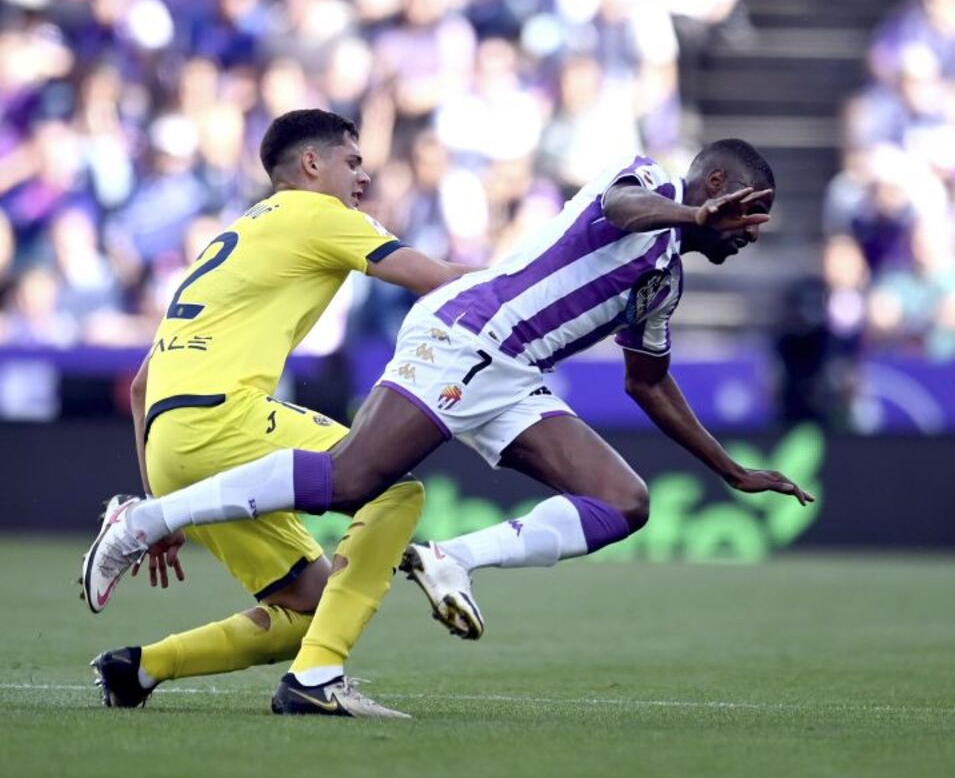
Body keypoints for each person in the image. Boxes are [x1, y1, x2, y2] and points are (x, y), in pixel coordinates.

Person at [83, 138, 815, 662]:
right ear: (715, 182)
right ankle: (150, 517)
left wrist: (732, 470)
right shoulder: (647, 179)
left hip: (511, 372)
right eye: (753, 211)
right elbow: (622, 208)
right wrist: (692, 218)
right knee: (351, 481)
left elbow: (647, 381)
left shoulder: (664, 283)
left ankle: (451, 559)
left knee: (624, 500)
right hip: (465, 331)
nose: (753, 231)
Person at [81, 109, 470, 719]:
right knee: (392, 487)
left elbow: (139, 388)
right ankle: (319, 682)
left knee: (312, 606)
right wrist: (559, 276)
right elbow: (442, 282)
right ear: (312, 164)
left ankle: (140, 668)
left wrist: (164, 502)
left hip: (168, 440)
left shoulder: (233, 235)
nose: (363, 177)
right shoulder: (319, 214)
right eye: (353, 161)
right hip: (224, 419)